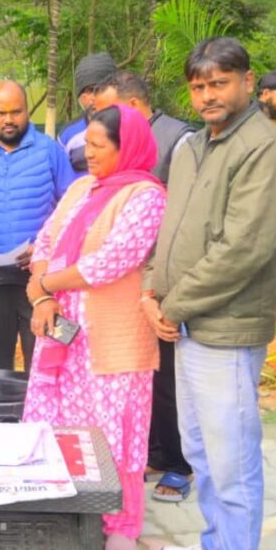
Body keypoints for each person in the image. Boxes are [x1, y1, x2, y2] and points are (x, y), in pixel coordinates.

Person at [146, 38, 276, 550]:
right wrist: (151, 290)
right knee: (201, 449)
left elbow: (244, 250)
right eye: (198, 86)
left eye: (219, 83)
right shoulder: (191, 146)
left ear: (247, 82)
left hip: (226, 328)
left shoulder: (265, 148)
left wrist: (172, 304)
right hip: (185, 323)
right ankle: (216, 548)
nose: (208, 95)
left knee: (231, 457)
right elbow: (169, 232)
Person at [22, 104, 166, 550]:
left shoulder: (146, 196)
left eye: (100, 146)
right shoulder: (81, 188)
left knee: (114, 431)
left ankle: (120, 521)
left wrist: (45, 284)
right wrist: (43, 297)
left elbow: (110, 262)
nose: (89, 154)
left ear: (127, 148)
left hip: (112, 341)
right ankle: (66, 511)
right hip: (63, 335)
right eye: (87, 144)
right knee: (61, 423)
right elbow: (46, 242)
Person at [93, 71, 196, 503]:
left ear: (132, 106)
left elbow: (184, 211)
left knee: (167, 377)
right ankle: (154, 452)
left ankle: (179, 463)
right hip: (124, 285)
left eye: (107, 111)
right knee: (141, 379)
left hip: (161, 278)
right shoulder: (117, 146)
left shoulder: (179, 140)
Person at [0, 80, 74, 372]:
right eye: (1, 113)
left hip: (41, 281)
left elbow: (73, 207)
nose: (9, 119)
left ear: (27, 111)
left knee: (43, 364)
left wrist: (44, 249)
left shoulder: (49, 150)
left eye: (16, 111)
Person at [58, 52, 117, 173]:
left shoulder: (130, 127)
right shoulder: (68, 135)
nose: (92, 97)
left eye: (98, 89)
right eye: (88, 91)